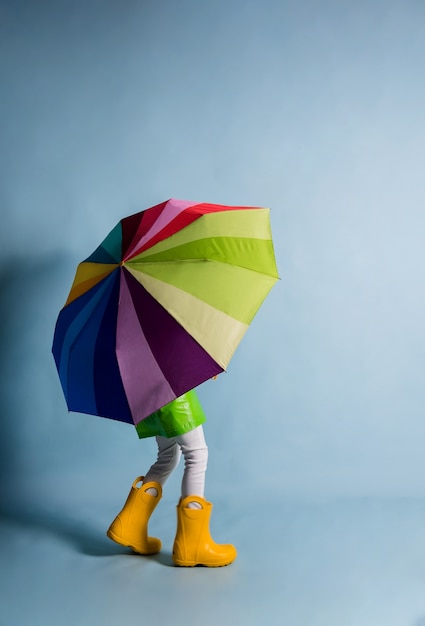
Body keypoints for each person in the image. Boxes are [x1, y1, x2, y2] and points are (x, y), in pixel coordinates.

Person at [106, 388, 237, 567]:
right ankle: (192, 545)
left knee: (167, 457)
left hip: (148, 398)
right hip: (174, 397)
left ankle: (129, 525)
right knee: (196, 454)